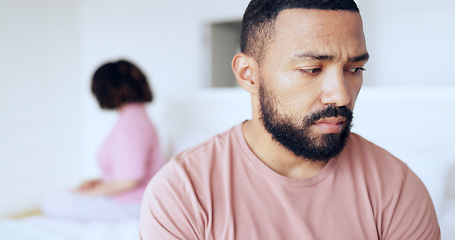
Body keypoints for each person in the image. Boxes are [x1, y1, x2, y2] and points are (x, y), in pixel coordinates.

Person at [140, 0, 440, 239]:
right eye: (312, 69)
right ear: (248, 74)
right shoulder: (182, 192)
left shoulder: (397, 189)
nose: (341, 96)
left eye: (354, 69)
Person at [42, 59, 165, 221]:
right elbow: (128, 170)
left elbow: (129, 180)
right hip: (132, 201)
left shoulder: (131, 124)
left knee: (51, 200)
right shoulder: (135, 117)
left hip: (132, 206)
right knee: (60, 197)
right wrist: (100, 182)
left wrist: (88, 194)